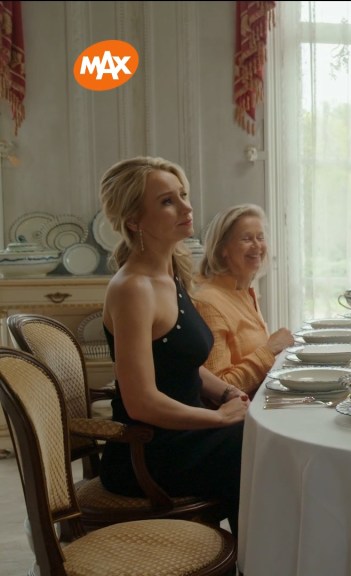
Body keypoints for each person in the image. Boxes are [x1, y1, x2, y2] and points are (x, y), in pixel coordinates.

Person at [99, 156, 249, 533]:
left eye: (183, 195)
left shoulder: (169, 275)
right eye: (168, 201)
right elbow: (141, 402)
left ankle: (260, 554)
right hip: (148, 451)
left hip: (185, 435)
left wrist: (228, 392)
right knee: (262, 448)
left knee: (266, 436)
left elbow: (179, 363)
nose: (186, 207)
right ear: (134, 221)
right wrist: (219, 418)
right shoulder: (133, 288)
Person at [193, 204, 293, 395]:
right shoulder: (208, 302)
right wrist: (269, 350)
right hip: (241, 411)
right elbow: (221, 386)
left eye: (260, 237)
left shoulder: (245, 291)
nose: (257, 246)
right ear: (223, 249)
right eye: (246, 239)